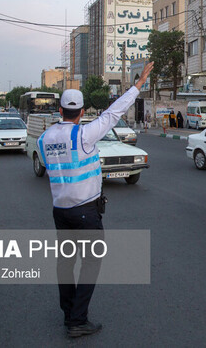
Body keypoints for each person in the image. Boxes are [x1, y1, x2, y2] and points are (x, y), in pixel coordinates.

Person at [38, 62, 153, 338]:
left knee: (65, 263)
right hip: (85, 212)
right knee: (92, 261)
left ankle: (69, 313)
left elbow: (49, 165)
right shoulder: (83, 134)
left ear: (61, 111)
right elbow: (113, 114)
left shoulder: (44, 139)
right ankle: (78, 319)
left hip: (60, 211)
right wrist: (137, 86)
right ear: (80, 112)